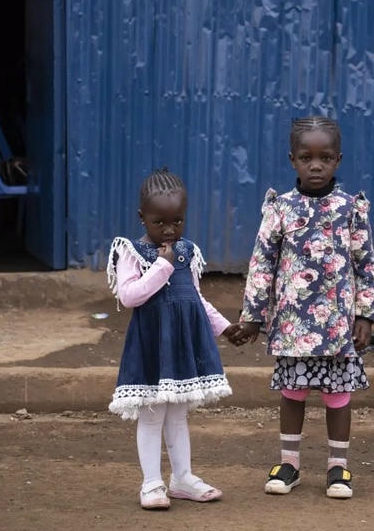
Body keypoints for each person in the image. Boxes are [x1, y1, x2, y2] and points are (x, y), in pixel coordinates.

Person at [235, 116, 374, 500]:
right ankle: (290, 464)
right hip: (293, 324)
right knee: (293, 393)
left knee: (338, 396)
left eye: (326, 158)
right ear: (292, 160)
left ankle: (338, 468)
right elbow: (262, 262)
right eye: (306, 157)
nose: (316, 165)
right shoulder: (280, 209)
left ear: (338, 160)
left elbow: (366, 264)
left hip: (338, 326)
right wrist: (253, 316)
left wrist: (365, 315)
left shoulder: (351, 209)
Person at [107, 168, 244, 510]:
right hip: (152, 345)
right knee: (152, 415)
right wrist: (161, 268)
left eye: (177, 222)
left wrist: (224, 327)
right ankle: (151, 484)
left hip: (182, 345)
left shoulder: (188, 251)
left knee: (179, 416)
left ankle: (182, 478)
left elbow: (196, 299)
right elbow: (130, 296)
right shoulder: (130, 252)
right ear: (143, 218)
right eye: (159, 223)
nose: (169, 230)